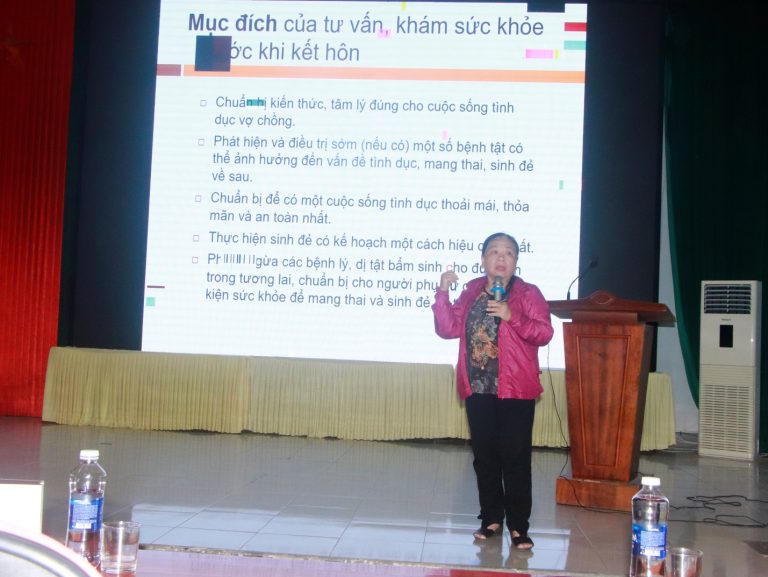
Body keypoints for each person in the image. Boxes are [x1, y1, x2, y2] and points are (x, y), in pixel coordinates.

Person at [432, 232, 553, 550]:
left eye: (509, 253)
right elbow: (448, 328)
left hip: (516, 388)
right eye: (494, 252)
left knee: (515, 458)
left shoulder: (528, 293)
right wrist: (442, 293)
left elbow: (544, 333)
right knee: (485, 457)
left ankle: (519, 526)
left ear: (516, 261)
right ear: (483, 259)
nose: (501, 257)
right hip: (478, 387)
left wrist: (513, 316)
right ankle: (491, 518)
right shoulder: (472, 290)